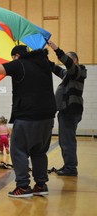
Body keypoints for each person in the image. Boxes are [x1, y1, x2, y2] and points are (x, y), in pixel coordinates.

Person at [0, 45, 56, 198]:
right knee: (39, 151)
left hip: (28, 116)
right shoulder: (43, 64)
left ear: (16, 56)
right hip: (48, 117)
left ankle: (22, 187)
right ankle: (41, 185)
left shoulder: (19, 64)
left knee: (18, 150)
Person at [48, 41, 87, 176]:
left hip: (70, 111)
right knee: (65, 140)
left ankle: (70, 168)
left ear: (75, 60)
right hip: (66, 111)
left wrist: (56, 49)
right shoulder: (68, 75)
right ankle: (69, 166)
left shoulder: (78, 71)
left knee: (67, 140)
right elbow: (55, 69)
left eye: (69, 59)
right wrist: (42, 58)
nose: (66, 62)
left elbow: (67, 64)